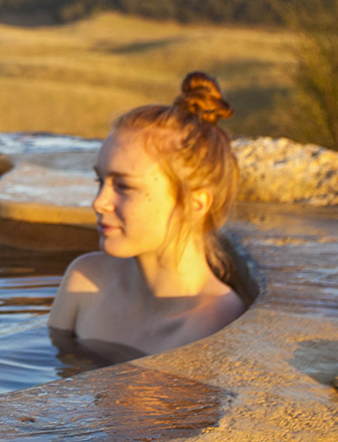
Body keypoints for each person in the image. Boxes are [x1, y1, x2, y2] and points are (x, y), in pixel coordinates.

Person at [48, 72, 245, 359]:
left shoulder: (216, 325)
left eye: (124, 186)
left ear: (195, 203)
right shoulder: (84, 279)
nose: (99, 202)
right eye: (100, 181)